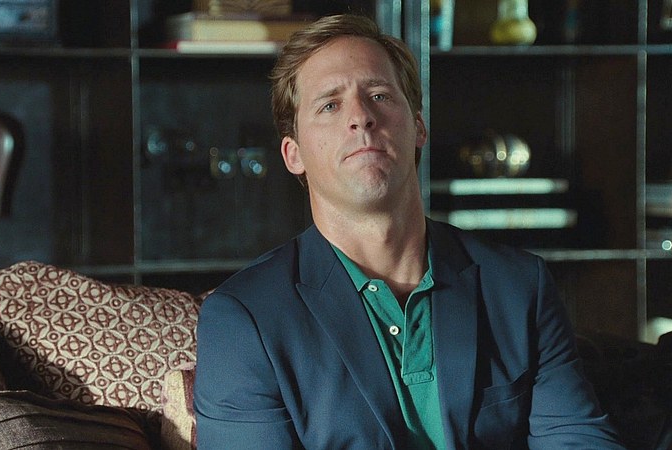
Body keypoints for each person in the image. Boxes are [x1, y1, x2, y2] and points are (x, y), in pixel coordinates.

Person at [193, 13, 625, 449]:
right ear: (294, 154)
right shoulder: (245, 320)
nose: (361, 117)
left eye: (379, 95)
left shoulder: (519, 286)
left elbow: (580, 441)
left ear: (418, 127)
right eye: (330, 105)